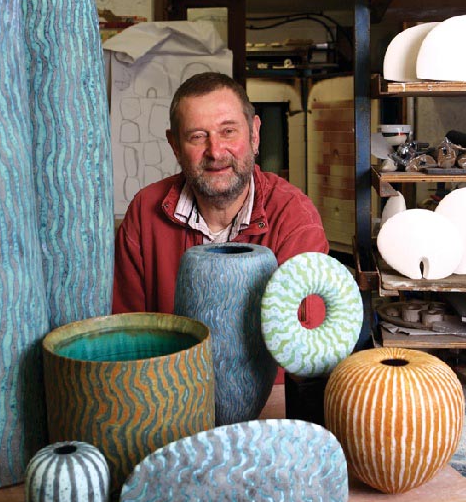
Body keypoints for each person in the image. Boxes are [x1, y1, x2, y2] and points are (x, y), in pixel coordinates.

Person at [112, 72, 328, 325]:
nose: (215, 151)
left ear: (254, 134)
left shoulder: (293, 218)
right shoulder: (145, 211)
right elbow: (127, 331)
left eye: (228, 131)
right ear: (175, 146)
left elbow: (301, 344)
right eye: (197, 136)